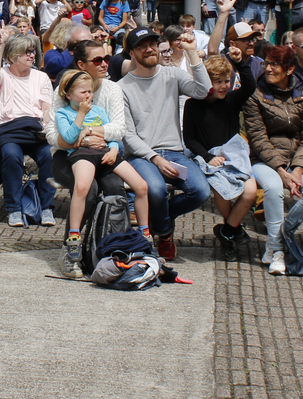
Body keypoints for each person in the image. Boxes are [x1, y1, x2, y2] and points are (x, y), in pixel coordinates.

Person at [118, 27, 212, 260]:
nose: (149, 49)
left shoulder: (173, 75)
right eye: (142, 46)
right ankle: (164, 233)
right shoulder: (121, 87)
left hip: (174, 152)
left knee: (201, 191)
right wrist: (155, 158)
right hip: (141, 155)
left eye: (152, 43)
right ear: (131, 53)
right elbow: (128, 135)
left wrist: (192, 53)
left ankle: (160, 220)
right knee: (156, 189)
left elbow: (203, 91)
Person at [243, 45, 303, 274]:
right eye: (266, 64)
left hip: (298, 158)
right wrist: (281, 171)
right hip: (264, 159)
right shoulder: (255, 95)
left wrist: (298, 170)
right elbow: (258, 138)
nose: (268, 69)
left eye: (274, 64)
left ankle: (281, 234)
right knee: (272, 188)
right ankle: (278, 250)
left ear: (289, 69)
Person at [53, 69, 148, 266]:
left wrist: (113, 149)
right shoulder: (63, 113)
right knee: (83, 186)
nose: (88, 96)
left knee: (141, 186)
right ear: (68, 95)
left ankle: (145, 232)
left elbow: (111, 136)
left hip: (105, 153)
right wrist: (81, 114)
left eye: (90, 91)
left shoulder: (99, 111)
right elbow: (70, 138)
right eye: (83, 92)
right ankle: (74, 237)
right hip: (82, 154)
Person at [184, 53, 258, 261]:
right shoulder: (193, 104)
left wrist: (240, 62)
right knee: (223, 193)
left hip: (235, 155)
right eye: (218, 82)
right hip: (209, 158)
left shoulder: (232, 100)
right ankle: (231, 232)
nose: (224, 86)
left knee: (250, 191)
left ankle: (227, 231)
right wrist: (208, 157)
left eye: (227, 81)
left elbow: (250, 86)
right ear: (207, 82)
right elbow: (190, 139)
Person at [0, 28, 56, 227]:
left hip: (34, 131)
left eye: (33, 51)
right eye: (27, 52)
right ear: (14, 56)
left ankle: (47, 206)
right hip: (8, 131)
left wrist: (47, 129)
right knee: (11, 156)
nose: (32, 55)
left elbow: (47, 109)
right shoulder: (2, 75)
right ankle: (14, 208)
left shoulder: (41, 77)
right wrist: (0, 44)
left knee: (50, 155)